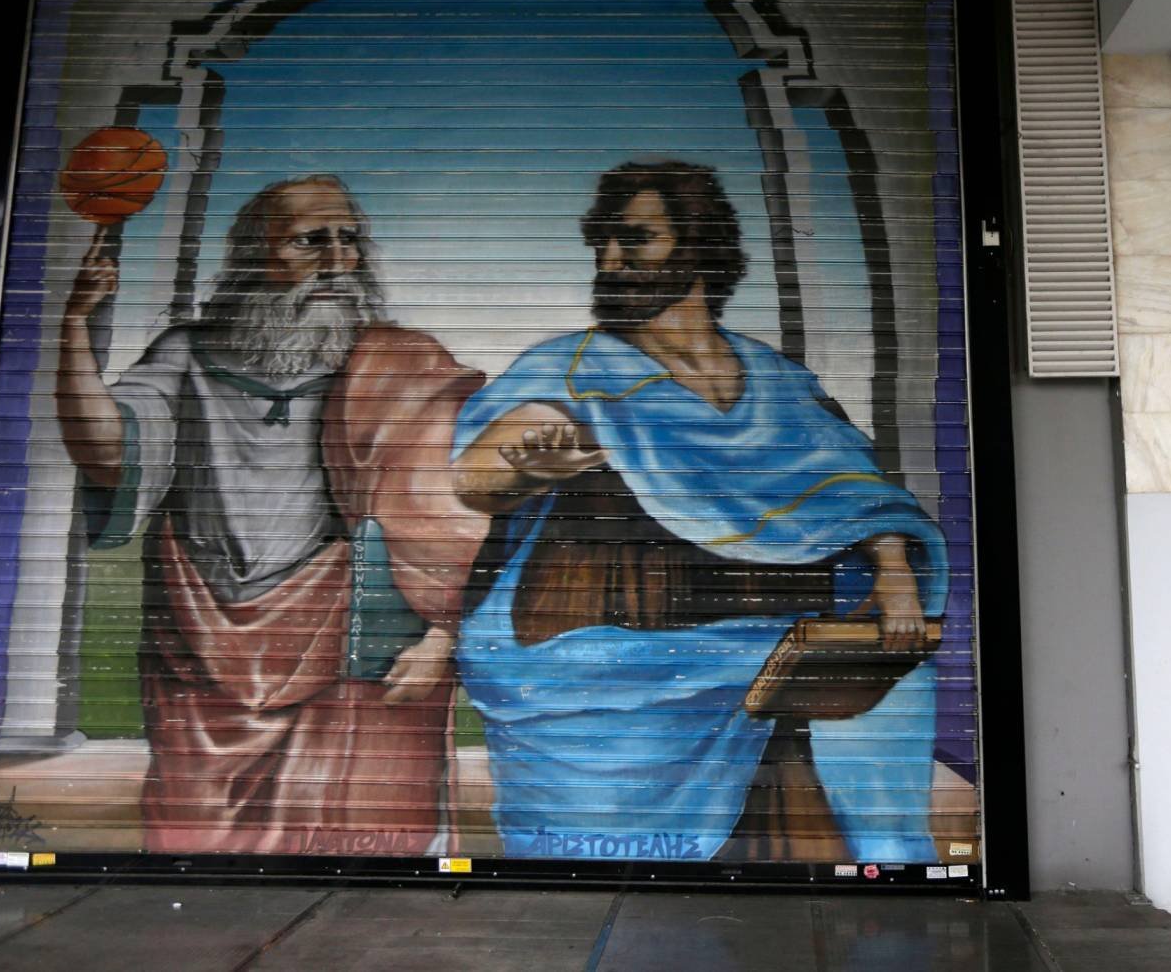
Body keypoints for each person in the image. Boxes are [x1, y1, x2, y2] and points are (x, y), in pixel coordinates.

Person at [450, 160, 948, 863]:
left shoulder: (777, 384)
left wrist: (893, 570)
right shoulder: (573, 370)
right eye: (602, 242)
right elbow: (481, 469)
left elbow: (855, 488)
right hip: (622, 672)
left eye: (635, 239)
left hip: (776, 667)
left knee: (787, 855)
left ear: (700, 244)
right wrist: (528, 465)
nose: (611, 259)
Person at [56, 175, 488, 855]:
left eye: (349, 239)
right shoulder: (187, 355)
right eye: (311, 240)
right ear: (254, 254)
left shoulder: (402, 365)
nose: (339, 259)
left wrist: (439, 636)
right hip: (202, 645)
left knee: (359, 830)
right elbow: (108, 450)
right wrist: (74, 329)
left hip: (345, 647)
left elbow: (454, 515)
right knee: (198, 838)